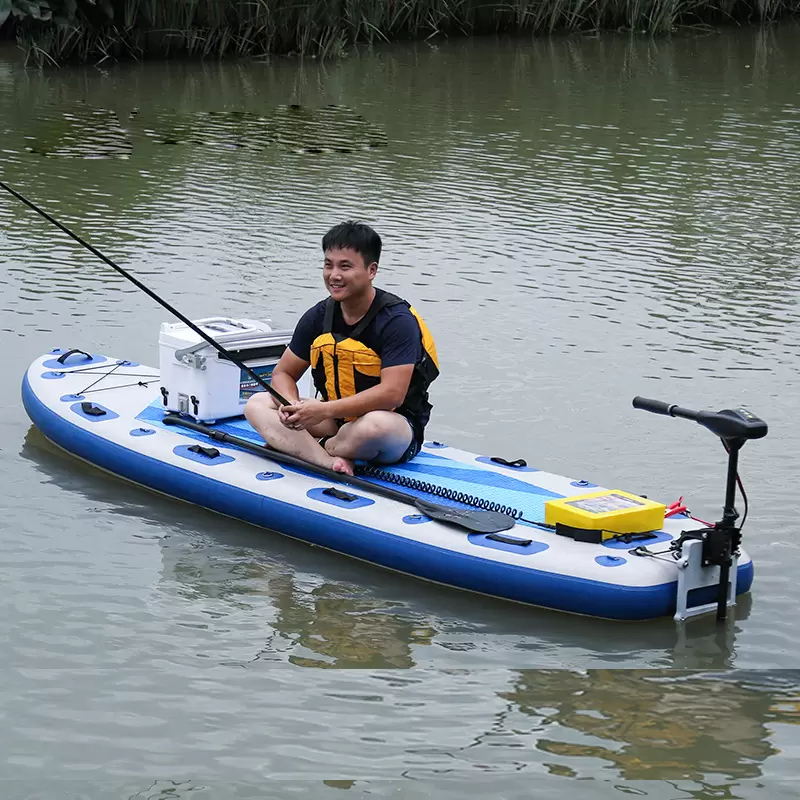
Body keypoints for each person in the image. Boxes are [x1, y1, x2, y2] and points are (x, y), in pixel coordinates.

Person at [244, 221, 439, 477]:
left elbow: (392, 394)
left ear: (371, 270)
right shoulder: (318, 316)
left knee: (372, 427)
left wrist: (322, 410)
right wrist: (292, 406)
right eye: (328, 265)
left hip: (393, 427)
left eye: (345, 266)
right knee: (256, 404)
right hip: (334, 422)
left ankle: (301, 447)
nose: (334, 275)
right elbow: (283, 374)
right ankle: (327, 462)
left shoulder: (397, 321)